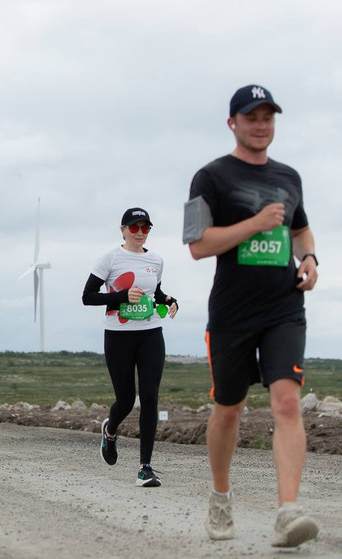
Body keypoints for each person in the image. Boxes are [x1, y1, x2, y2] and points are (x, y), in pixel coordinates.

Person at [184, 84, 319, 547]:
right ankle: (220, 498)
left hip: (284, 308)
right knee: (229, 409)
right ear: (233, 123)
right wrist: (255, 225)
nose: (261, 126)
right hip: (232, 314)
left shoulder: (290, 176)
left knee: (286, 402)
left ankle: (287, 513)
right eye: (252, 117)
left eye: (268, 118)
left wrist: (310, 260)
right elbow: (199, 246)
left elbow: (301, 231)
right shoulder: (210, 177)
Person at [82, 207, 179, 488]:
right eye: (134, 228)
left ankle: (144, 468)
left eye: (145, 228)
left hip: (150, 333)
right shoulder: (110, 258)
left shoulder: (156, 261)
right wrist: (121, 296)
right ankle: (110, 431)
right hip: (118, 336)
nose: (139, 233)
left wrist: (171, 300)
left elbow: (156, 293)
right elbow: (87, 297)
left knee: (149, 395)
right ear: (122, 229)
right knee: (125, 399)